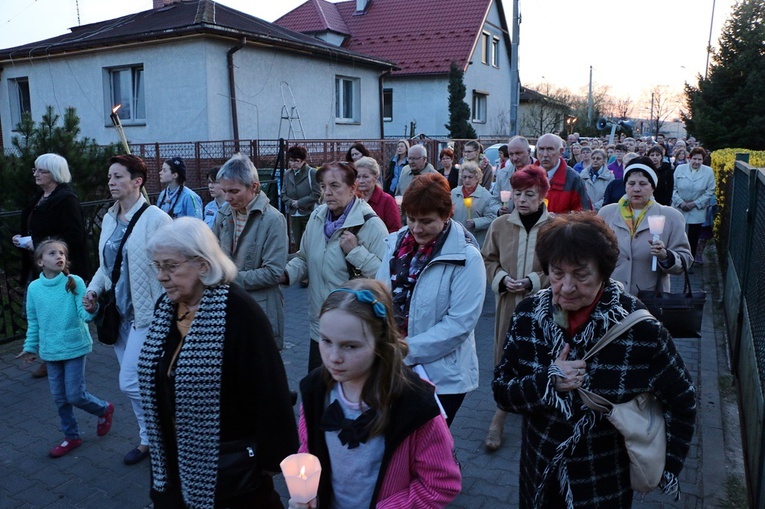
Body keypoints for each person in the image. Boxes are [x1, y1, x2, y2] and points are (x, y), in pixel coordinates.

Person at [493, 213, 697, 508]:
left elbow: (683, 399)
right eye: (557, 272)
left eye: (581, 274)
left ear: (603, 272)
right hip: (539, 472)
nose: (566, 286)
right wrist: (546, 384)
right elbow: (501, 389)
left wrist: (665, 466)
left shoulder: (639, 329)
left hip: (603, 480)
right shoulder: (528, 315)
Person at [139, 218, 298, 509]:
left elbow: (270, 390)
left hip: (227, 463)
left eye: (171, 266)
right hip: (174, 457)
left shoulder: (239, 312)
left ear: (202, 264)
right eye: (157, 266)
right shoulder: (166, 308)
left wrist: (273, 458)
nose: (161, 276)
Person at [289, 279, 461, 509]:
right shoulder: (315, 389)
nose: (333, 357)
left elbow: (441, 483)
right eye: (326, 340)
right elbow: (308, 449)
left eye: (350, 346)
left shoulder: (415, 404)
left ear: (380, 343)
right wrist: (308, 491)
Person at [83, 154, 172, 465]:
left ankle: (166, 428)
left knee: (131, 382)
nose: (111, 182)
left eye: (118, 176)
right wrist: (93, 289)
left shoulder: (157, 219)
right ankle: (148, 439)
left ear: (138, 181)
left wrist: (168, 308)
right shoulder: (108, 218)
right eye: (110, 177)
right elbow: (108, 267)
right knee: (134, 380)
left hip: (147, 316)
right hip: (118, 315)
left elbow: (172, 265)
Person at [377, 172, 486, 426]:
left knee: (429, 453)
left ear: (447, 214)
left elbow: (459, 324)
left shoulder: (467, 258)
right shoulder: (394, 243)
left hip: (442, 378)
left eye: (426, 221)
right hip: (393, 366)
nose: (416, 228)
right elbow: (380, 295)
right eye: (411, 218)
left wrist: (405, 349)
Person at [283, 161, 388, 372]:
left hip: (354, 329)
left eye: (334, 186)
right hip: (320, 326)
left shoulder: (371, 224)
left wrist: (356, 252)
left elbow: (385, 278)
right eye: (323, 187)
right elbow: (304, 258)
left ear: (352, 188)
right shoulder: (317, 217)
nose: (327, 193)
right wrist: (286, 275)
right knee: (318, 393)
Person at [18, 239, 114, 458]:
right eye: (52, 253)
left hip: (74, 346)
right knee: (60, 398)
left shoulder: (74, 282)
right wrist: (30, 348)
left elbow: (85, 315)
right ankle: (71, 436)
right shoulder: (34, 288)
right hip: (51, 351)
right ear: (40, 261)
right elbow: (34, 322)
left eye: (61, 253)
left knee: (74, 394)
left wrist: (93, 307)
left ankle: (104, 409)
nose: (59, 256)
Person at [481, 165, 550, 452]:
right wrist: (501, 278)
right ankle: (500, 414)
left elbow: (560, 268)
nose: (522, 200)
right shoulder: (500, 225)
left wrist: (534, 281)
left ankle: (541, 406)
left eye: (529, 194)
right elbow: (487, 259)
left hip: (543, 307)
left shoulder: (554, 227)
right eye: (518, 193)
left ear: (542, 196)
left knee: (541, 354)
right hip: (508, 303)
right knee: (506, 355)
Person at [14, 153, 91, 379]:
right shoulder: (42, 196)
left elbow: (74, 237)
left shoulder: (66, 199)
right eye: (35, 170)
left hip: (59, 269)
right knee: (36, 312)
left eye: (42, 171)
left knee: (57, 315)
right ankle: (50, 355)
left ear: (55, 173)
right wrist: (25, 238)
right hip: (39, 266)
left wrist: (34, 243)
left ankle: (57, 358)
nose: (36, 174)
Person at [212, 153, 288, 349]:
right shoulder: (223, 213)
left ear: (254, 186)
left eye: (234, 191)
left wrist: (228, 279)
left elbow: (273, 273)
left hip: (259, 308)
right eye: (225, 191)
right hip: (225, 305)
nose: (228, 198)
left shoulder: (273, 220)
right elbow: (211, 254)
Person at [598, 157, 693, 296]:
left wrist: (666, 256)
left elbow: (685, 259)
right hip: (612, 297)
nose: (636, 189)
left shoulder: (671, 216)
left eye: (643, 184)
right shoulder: (607, 213)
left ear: (652, 187)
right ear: (625, 186)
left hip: (650, 299)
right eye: (631, 183)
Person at [672, 147, 716, 264]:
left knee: (693, 238)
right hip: (679, 207)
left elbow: (710, 191)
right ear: (689, 158)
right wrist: (680, 202)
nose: (696, 162)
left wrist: (695, 203)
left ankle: (689, 262)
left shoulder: (708, 172)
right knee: (677, 235)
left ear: (703, 160)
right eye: (694, 159)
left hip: (696, 209)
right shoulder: (680, 169)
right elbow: (673, 188)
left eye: (700, 159)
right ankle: (676, 260)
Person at [536, 134, 591, 213]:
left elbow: (585, 215)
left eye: (550, 149)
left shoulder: (573, 179)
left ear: (561, 151)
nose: (545, 154)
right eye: (541, 149)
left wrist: (558, 220)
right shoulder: (527, 176)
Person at [281, 145, 320, 251]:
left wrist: (300, 202)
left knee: (309, 240)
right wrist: (291, 203)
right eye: (291, 160)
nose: (293, 164)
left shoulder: (311, 173)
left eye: (296, 161)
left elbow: (316, 193)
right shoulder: (287, 174)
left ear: (303, 161)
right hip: (294, 214)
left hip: (309, 212)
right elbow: (283, 194)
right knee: (297, 242)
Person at [451, 162, 499, 246]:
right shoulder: (454, 193)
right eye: (464, 177)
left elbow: (493, 218)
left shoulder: (485, 196)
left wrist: (476, 222)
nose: (467, 180)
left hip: (476, 242)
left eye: (470, 177)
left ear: (477, 178)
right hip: (456, 240)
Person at [493, 135, 537, 216]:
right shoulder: (503, 174)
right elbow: (494, 200)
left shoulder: (543, 171)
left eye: (518, 153)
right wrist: (499, 209)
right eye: (511, 154)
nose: (514, 158)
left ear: (529, 151)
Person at [355, 156, 401, 233]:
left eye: (365, 177)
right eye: (358, 177)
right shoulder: (352, 199)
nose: (361, 181)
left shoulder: (387, 201)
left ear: (376, 177)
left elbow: (395, 231)